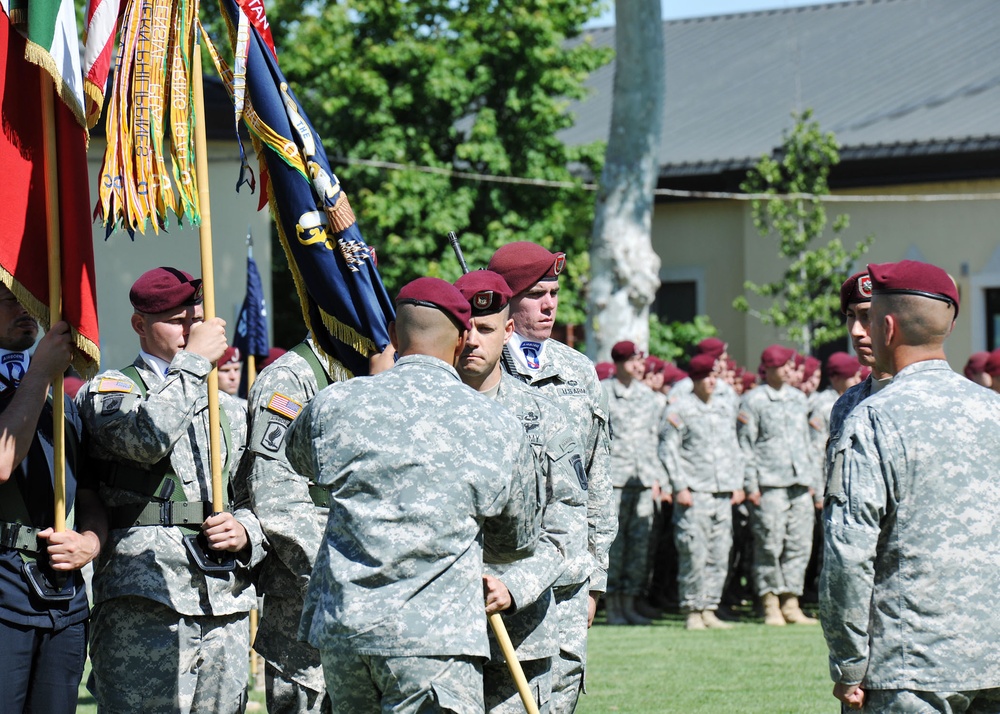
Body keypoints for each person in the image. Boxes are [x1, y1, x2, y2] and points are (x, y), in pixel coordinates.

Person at [286, 277, 541, 713]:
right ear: (462, 339)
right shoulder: (496, 424)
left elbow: (300, 460)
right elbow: (516, 540)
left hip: (347, 630)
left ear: (391, 336)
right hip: (434, 639)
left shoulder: (336, 403)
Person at [76, 267, 264, 713]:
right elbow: (146, 440)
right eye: (175, 321)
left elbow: (258, 496)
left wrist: (246, 532)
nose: (188, 330)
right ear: (140, 325)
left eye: (194, 319)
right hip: (146, 599)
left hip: (223, 601)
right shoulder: (110, 390)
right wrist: (195, 363)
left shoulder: (231, 409)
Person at [819, 260, 1000, 712]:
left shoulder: (874, 417)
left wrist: (848, 663)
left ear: (888, 326)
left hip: (910, 664)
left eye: (869, 317)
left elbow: (848, 552)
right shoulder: (994, 409)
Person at [489, 241, 615, 711]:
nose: (548, 305)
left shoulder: (577, 371)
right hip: (502, 576)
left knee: (558, 695)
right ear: (506, 300)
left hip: (567, 578)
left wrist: (596, 579)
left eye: (554, 293)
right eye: (535, 294)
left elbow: (598, 479)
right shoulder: (482, 367)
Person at [454, 269, 586, 713]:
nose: (472, 340)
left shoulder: (545, 419)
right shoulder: (422, 413)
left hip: (522, 630)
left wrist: (513, 586)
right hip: (437, 633)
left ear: (508, 331)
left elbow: (566, 527)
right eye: (464, 328)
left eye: (486, 329)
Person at [0, 284, 107, 714]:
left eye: (30, 300)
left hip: (60, 597)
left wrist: (91, 544)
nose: (26, 310)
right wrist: (39, 374)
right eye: (10, 300)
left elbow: (91, 489)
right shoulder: (40, 382)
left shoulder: (60, 398)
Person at [234, 334, 354, 714]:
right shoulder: (291, 378)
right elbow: (275, 494)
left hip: (371, 602)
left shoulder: (376, 370)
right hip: (310, 601)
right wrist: (329, 581)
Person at [659, 353, 744, 631]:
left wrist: (737, 483)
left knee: (720, 552)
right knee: (693, 550)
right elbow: (668, 450)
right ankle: (692, 610)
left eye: (714, 376)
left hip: (721, 491)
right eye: (706, 376)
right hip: (694, 491)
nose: (711, 381)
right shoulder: (680, 409)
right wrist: (679, 485)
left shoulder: (723, 407)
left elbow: (733, 447)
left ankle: (710, 607)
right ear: (694, 379)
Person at [737, 344, 817, 627]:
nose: (789, 370)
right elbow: (745, 446)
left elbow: (809, 443)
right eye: (784, 365)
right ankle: (770, 601)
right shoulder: (753, 400)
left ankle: (791, 600)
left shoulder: (799, 399)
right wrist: (751, 485)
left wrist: (813, 482)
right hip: (769, 483)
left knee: (799, 544)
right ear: (769, 368)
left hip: (799, 482)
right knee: (770, 544)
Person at [602, 340, 665, 626]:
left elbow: (655, 440)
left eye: (641, 360)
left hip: (642, 480)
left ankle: (630, 602)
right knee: (614, 546)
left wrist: (657, 479)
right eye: (633, 361)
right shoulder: (603, 392)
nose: (639, 366)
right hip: (613, 480)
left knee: (639, 546)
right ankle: (613, 606)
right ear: (619, 362)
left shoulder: (649, 397)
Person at [826, 271, 894, 471]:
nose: (856, 330)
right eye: (850, 316)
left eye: (867, 316)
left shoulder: (925, 398)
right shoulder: (846, 404)